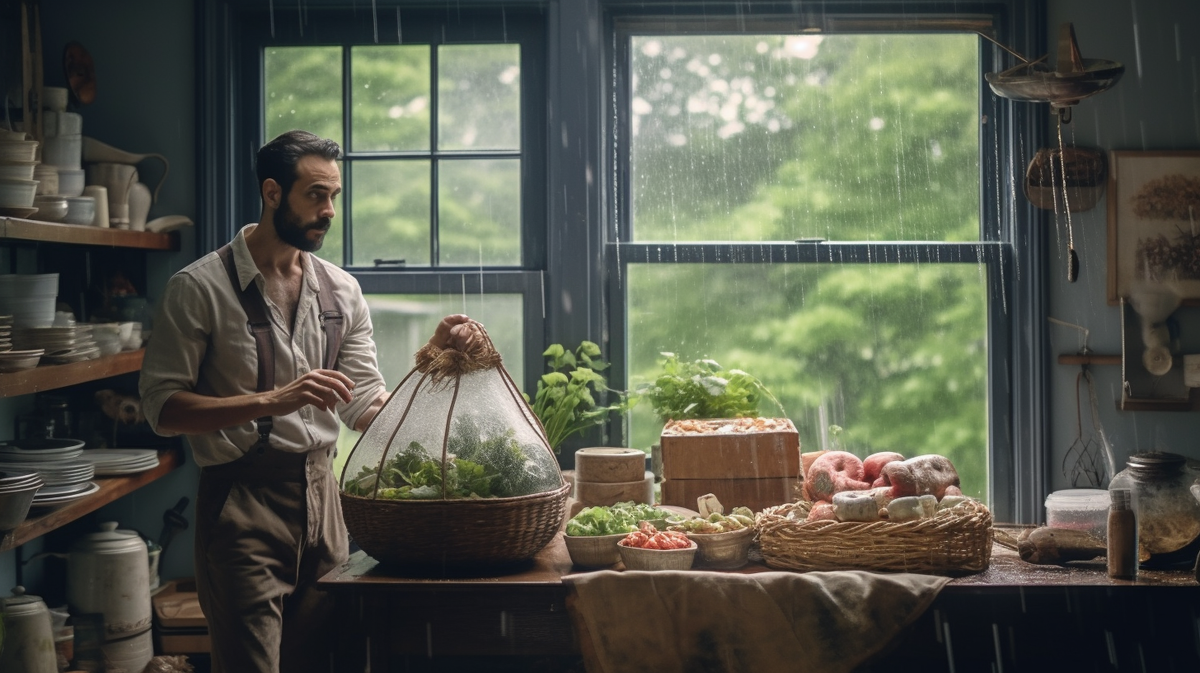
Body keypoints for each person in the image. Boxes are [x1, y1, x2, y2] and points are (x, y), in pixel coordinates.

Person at [139, 129, 479, 673]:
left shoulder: (341, 292)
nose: (328, 211)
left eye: (334, 197)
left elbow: (366, 406)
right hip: (240, 507)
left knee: (325, 660)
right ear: (272, 193)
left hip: (326, 501)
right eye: (315, 195)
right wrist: (273, 399)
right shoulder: (198, 288)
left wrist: (432, 359)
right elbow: (162, 409)